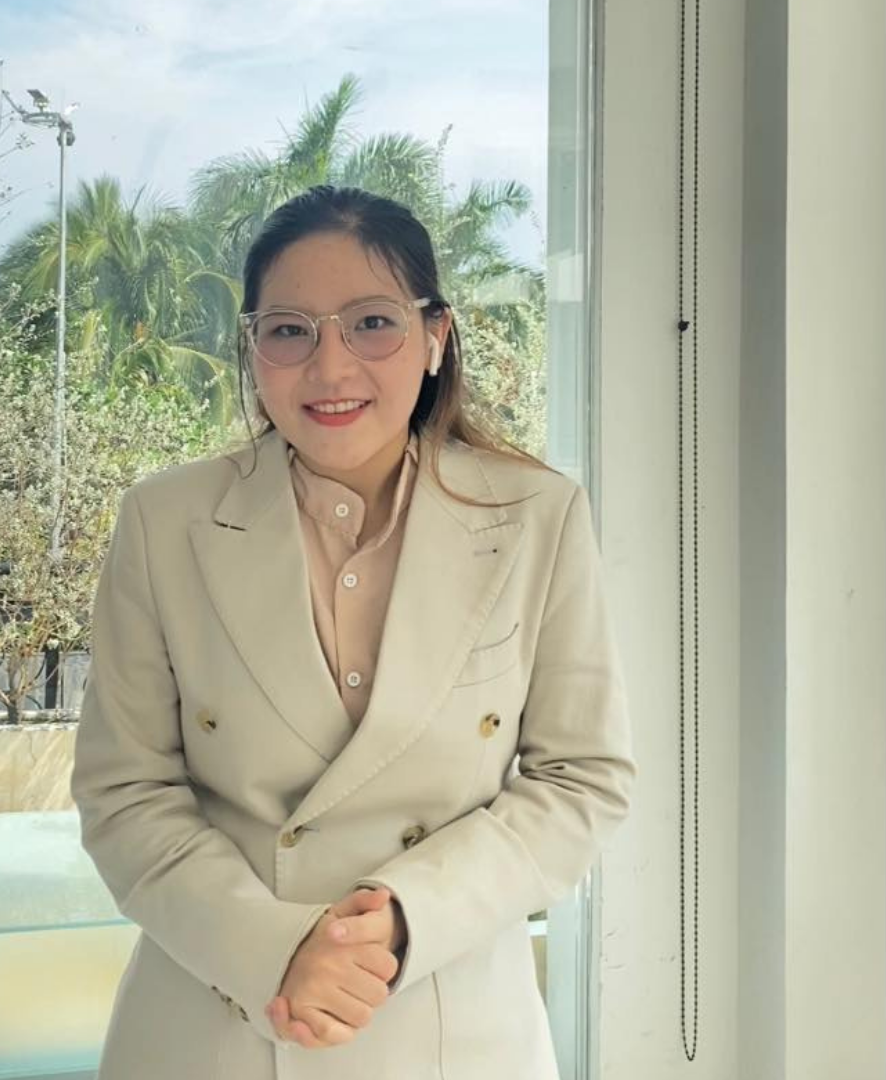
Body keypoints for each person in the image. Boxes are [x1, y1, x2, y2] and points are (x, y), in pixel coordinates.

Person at [70, 185, 637, 1080]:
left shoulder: (537, 517)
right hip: (214, 1021)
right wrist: (273, 951)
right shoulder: (164, 521)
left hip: (451, 1028)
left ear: (435, 336)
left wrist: (406, 916)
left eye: (372, 323)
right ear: (253, 348)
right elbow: (126, 792)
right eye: (289, 330)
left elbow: (582, 778)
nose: (330, 368)